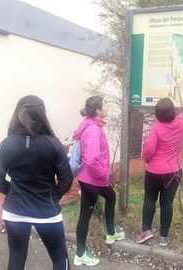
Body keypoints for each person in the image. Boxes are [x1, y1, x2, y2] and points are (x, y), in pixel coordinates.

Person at [0, 95, 73, 270]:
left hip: (15, 211)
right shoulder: (53, 144)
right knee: (59, 257)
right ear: (42, 114)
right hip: (46, 210)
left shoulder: (6, 145)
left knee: (17, 258)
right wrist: (52, 196)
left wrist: (13, 193)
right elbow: (66, 179)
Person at [136, 80, 183, 247]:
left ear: (157, 114)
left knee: (150, 199)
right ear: (173, 111)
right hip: (173, 172)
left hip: (153, 172)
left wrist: (146, 160)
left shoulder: (156, 128)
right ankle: (163, 239)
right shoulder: (181, 121)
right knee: (167, 203)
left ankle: (146, 231)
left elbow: (149, 150)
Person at [72, 96, 125, 266]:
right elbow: (93, 160)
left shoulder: (90, 124)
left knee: (111, 197)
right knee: (85, 216)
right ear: (98, 111)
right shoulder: (93, 130)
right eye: (105, 105)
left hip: (92, 177)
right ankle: (80, 254)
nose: (107, 107)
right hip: (92, 179)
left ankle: (110, 233)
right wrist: (105, 175)